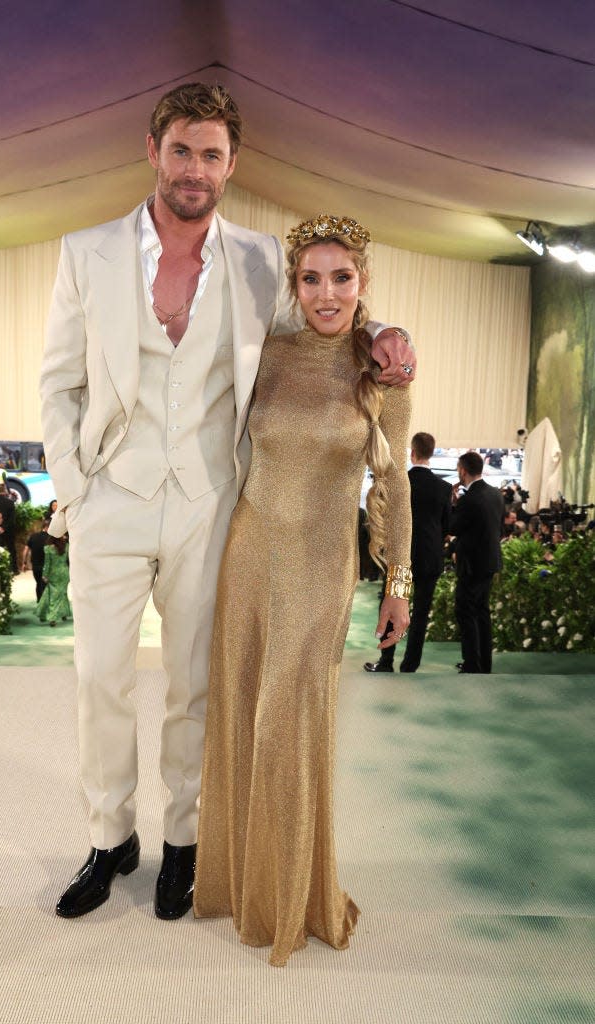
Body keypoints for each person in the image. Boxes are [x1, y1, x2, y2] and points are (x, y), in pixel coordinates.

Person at [40, 81, 417, 923]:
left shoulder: (256, 260)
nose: (196, 169)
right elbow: (57, 382)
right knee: (99, 676)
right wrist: (79, 493)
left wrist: (387, 333)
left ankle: (183, 843)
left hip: (212, 501)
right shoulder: (85, 251)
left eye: (213, 154)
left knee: (194, 684)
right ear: (153, 151)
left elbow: (329, 311)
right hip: (112, 497)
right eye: (182, 149)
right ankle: (109, 839)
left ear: (232, 164)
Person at [193, 215, 412, 966]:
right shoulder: (269, 353)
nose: (327, 293)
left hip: (324, 566)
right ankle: (238, 885)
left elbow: (396, 483)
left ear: (362, 284)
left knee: (290, 719)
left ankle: (291, 896)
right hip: (250, 555)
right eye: (312, 278)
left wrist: (399, 583)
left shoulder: (382, 368)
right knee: (243, 710)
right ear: (295, 285)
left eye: (341, 278)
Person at [364, 431, 451, 673]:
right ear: (431, 453)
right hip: (430, 559)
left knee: (391, 607)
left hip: (401, 560)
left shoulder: (400, 483)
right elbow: (447, 525)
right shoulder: (444, 488)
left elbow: (384, 517)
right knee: (421, 614)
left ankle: (386, 661)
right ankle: (410, 665)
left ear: (412, 453)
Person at [449, 451, 504, 674]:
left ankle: (472, 663)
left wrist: (453, 504)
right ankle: (484, 664)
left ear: (463, 470)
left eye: (458, 469)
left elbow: (453, 527)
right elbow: (498, 528)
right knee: (482, 612)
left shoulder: (469, 499)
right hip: (490, 562)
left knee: (465, 610)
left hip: (471, 565)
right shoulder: (495, 494)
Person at [36, 534, 71, 626]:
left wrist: (44, 575)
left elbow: (47, 564)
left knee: (53, 596)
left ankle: (53, 618)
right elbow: (69, 561)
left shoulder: (48, 549)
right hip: (64, 573)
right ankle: (64, 613)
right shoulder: (67, 547)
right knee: (63, 593)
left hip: (53, 573)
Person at [23, 519, 50, 600]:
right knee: (47, 585)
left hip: (36, 565)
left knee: (38, 583)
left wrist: (24, 563)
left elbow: (26, 550)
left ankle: (39, 602)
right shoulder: (51, 538)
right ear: (48, 527)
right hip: (48, 566)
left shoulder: (33, 536)